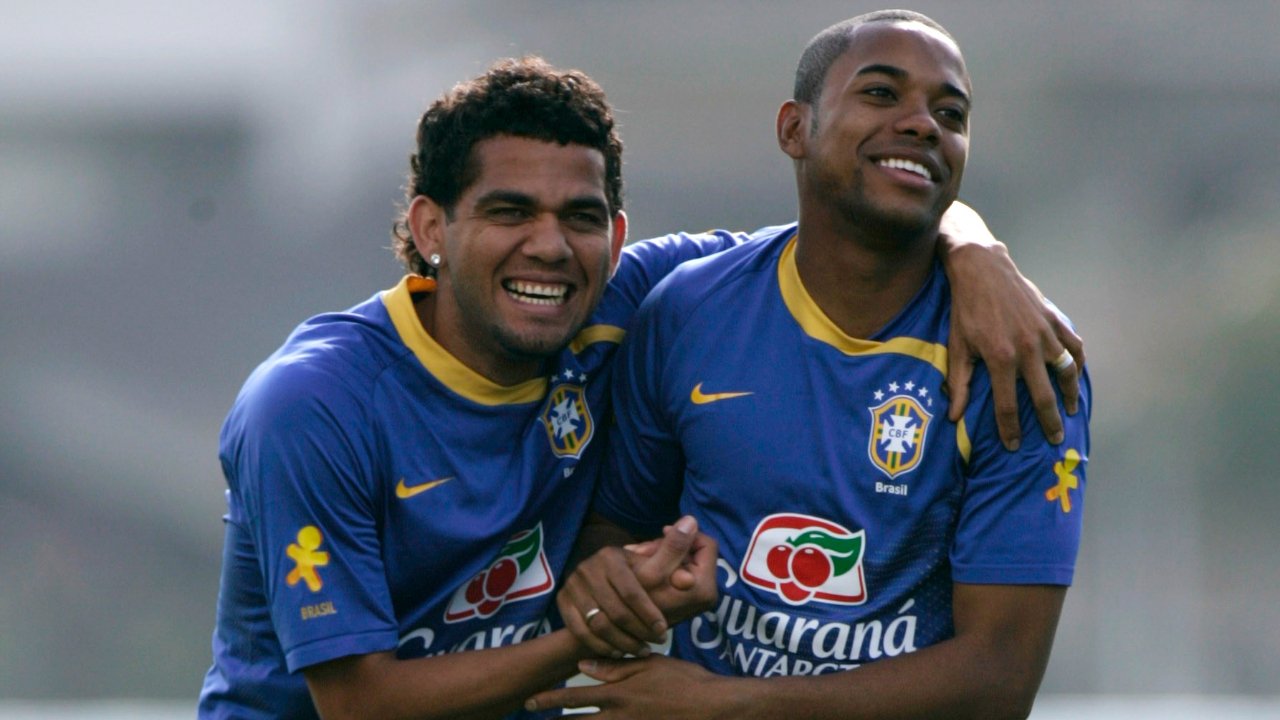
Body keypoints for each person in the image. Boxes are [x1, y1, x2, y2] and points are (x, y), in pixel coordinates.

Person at [198, 53, 1081, 719]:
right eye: (509, 212)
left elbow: (854, 222)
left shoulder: (640, 299)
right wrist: (590, 631)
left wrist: (975, 250)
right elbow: (362, 705)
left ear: (616, 235)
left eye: (579, 218)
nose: (549, 245)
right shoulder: (311, 406)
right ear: (431, 226)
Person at [534, 10, 1090, 719]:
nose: (923, 123)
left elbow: (999, 680)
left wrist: (727, 707)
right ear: (795, 128)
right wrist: (605, 581)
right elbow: (616, 527)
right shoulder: (686, 306)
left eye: (949, 113)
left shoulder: (1022, 353)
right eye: (882, 94)